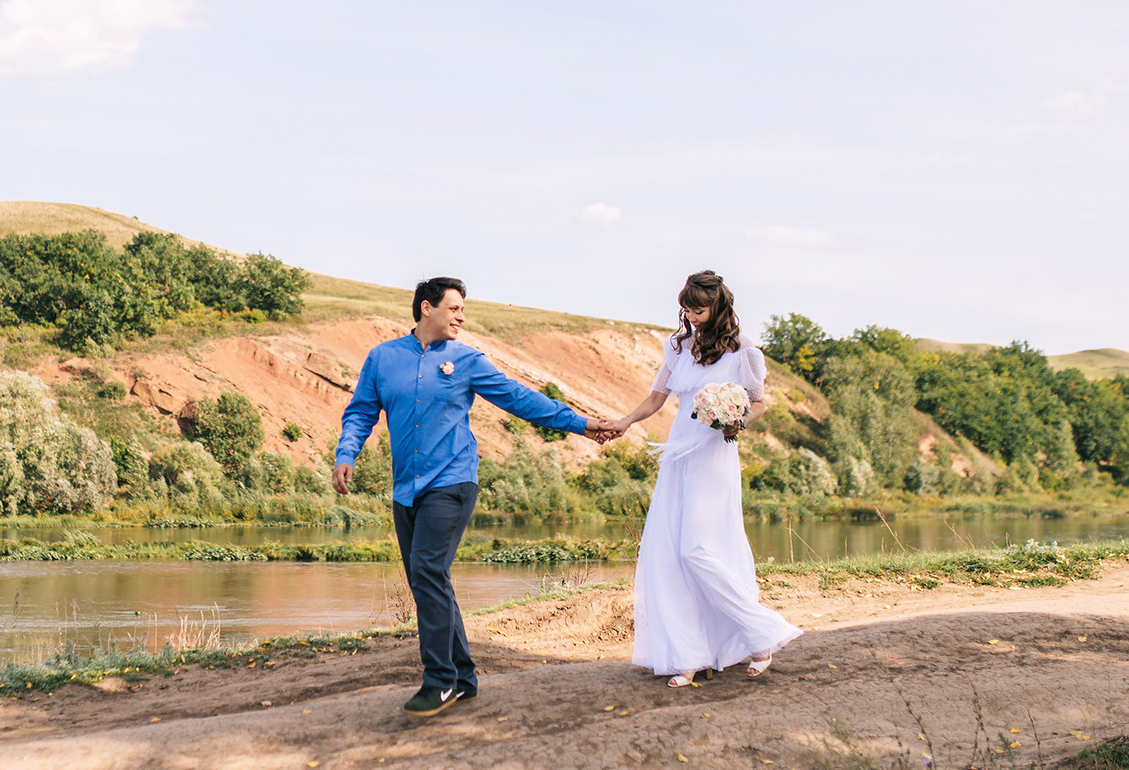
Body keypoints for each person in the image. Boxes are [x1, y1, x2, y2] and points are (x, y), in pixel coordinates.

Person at [335, 277, 617, 717]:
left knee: (427, 570)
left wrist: (581, 424)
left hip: (452, 481)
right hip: (406, 489)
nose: (461, 317)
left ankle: (439, 680)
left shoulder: (467, 361)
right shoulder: (382, 358)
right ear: (426, 308)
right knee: (428, 579)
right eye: (454, 308)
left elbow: (519, 399)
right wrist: (346, 453)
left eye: (463, 310)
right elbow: (360, 413)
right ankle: (463, 678)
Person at [590, 270, 802, 687]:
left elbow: (758, 403)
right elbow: (657, 397)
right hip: (678, 455)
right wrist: (626, 421)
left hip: (714, 455)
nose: (691, 316)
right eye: (686, 309)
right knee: (668, 555)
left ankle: (761, 635)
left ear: (718, 308)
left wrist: (738, 421)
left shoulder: (744, 352)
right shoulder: (678, 347)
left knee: (696, 550)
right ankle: (687, 655)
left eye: (699, 310)